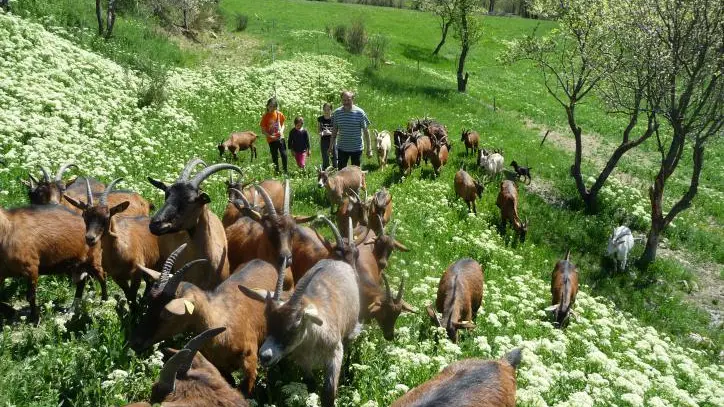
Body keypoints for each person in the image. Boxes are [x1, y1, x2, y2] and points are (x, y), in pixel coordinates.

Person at [329, 91, 372, 169]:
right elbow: (334, 131)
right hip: (342, 148)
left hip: (356, 148)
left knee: (355, 173)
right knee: (341, 172)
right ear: (341, 100)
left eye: (348, 100)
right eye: (344, 100)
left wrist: (369, 148)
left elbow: (366, 132)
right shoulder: (337, 113)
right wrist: (331, 146)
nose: (346, 102)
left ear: (353, 99)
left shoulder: (360, 113)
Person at [259, 97, 288, 174]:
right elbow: (263, 131)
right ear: (267, 106)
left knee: (284, 154)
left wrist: (281, 131)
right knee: (274, 156)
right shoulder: (265, 117)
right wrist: (270, 136)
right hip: (271, 140)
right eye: (270, 106)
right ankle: (277, 171)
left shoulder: (279, 114)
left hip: (280, 138)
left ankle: (285, 170)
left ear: (276, 107)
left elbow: (283, 124)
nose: (271, 108)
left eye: (273, 106)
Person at [318, 102, 336, 169]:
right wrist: (322, 133)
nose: (326, 111)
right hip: (324, 141)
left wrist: (330, 133)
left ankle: (335, 171)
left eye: (328, 109)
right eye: (325, 110)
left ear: (331, 110)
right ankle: (325, 173)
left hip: (333, 141)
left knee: (334, 157)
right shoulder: (320, 119)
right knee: (325, 158)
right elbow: (319, 131)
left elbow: (338, 132)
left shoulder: (334, 119)